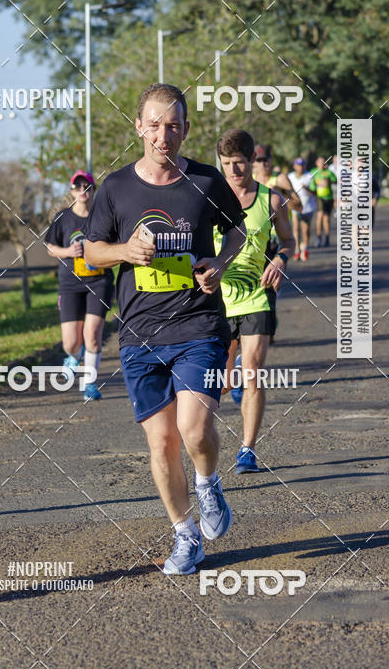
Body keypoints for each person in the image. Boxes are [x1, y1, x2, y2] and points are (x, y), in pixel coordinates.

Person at [84, 83, 246, 575]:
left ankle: (208, 481)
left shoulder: (204, 180)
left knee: (193, 431)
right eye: (154, 125)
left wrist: (219, 262)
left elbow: (237, 228)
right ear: (139, 127)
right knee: (161, 444)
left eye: (173, 125)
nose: (163, 135)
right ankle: (185, 536)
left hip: (199, 324)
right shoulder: (114, 188)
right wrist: (124, 252)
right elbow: (91, 252)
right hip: (138, 332)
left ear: (186, 130)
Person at [215, 129, 295, 474]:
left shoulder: (272, 200)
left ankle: (247, 449)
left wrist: (280, 259)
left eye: (239, 164)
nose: (233, 171)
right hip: (216, 300)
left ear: (251, 161)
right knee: (218, 381)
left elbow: (289, 241)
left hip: (256, 297)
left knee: (253, 374)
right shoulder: (210, 199)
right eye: (227, 165)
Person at [45, 170, 114, 401]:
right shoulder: (62, 218)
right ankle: (73, 357)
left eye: (87, 186)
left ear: (93, 191)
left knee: (93, 335)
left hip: (99, 281)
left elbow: (115, 244)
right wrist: (68, 252)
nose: (82, 190)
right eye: (78, 187)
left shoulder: (103, 216)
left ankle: (90, 384)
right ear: (72, 191)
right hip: (70, 285)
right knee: (71, 342)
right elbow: (50, 248)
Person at [288, 157, 316, 261]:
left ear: (305, 166)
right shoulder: (290, 176)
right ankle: (297, 251)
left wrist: (306, 188)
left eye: (302, 165)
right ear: (295, 166)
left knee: (305, 230)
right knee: (295, 228)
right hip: (295, 207)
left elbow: (315, 193)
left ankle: (305, 248)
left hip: (307, 207)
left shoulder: (309, 176)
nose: (300, 167)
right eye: (298, 165)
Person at [309, 156, 337, 247]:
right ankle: (318, 237)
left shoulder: (328, 172)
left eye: (323, 162)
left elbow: (335, 180)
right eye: (320, 162)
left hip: (328, 197)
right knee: (320, 215)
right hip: (319, 197)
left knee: (326, 218)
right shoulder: (314, 172)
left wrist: (328, 179)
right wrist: (317, 186)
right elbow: (311, 185)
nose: (322, 164)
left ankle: (327, 238)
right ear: (316, 163)